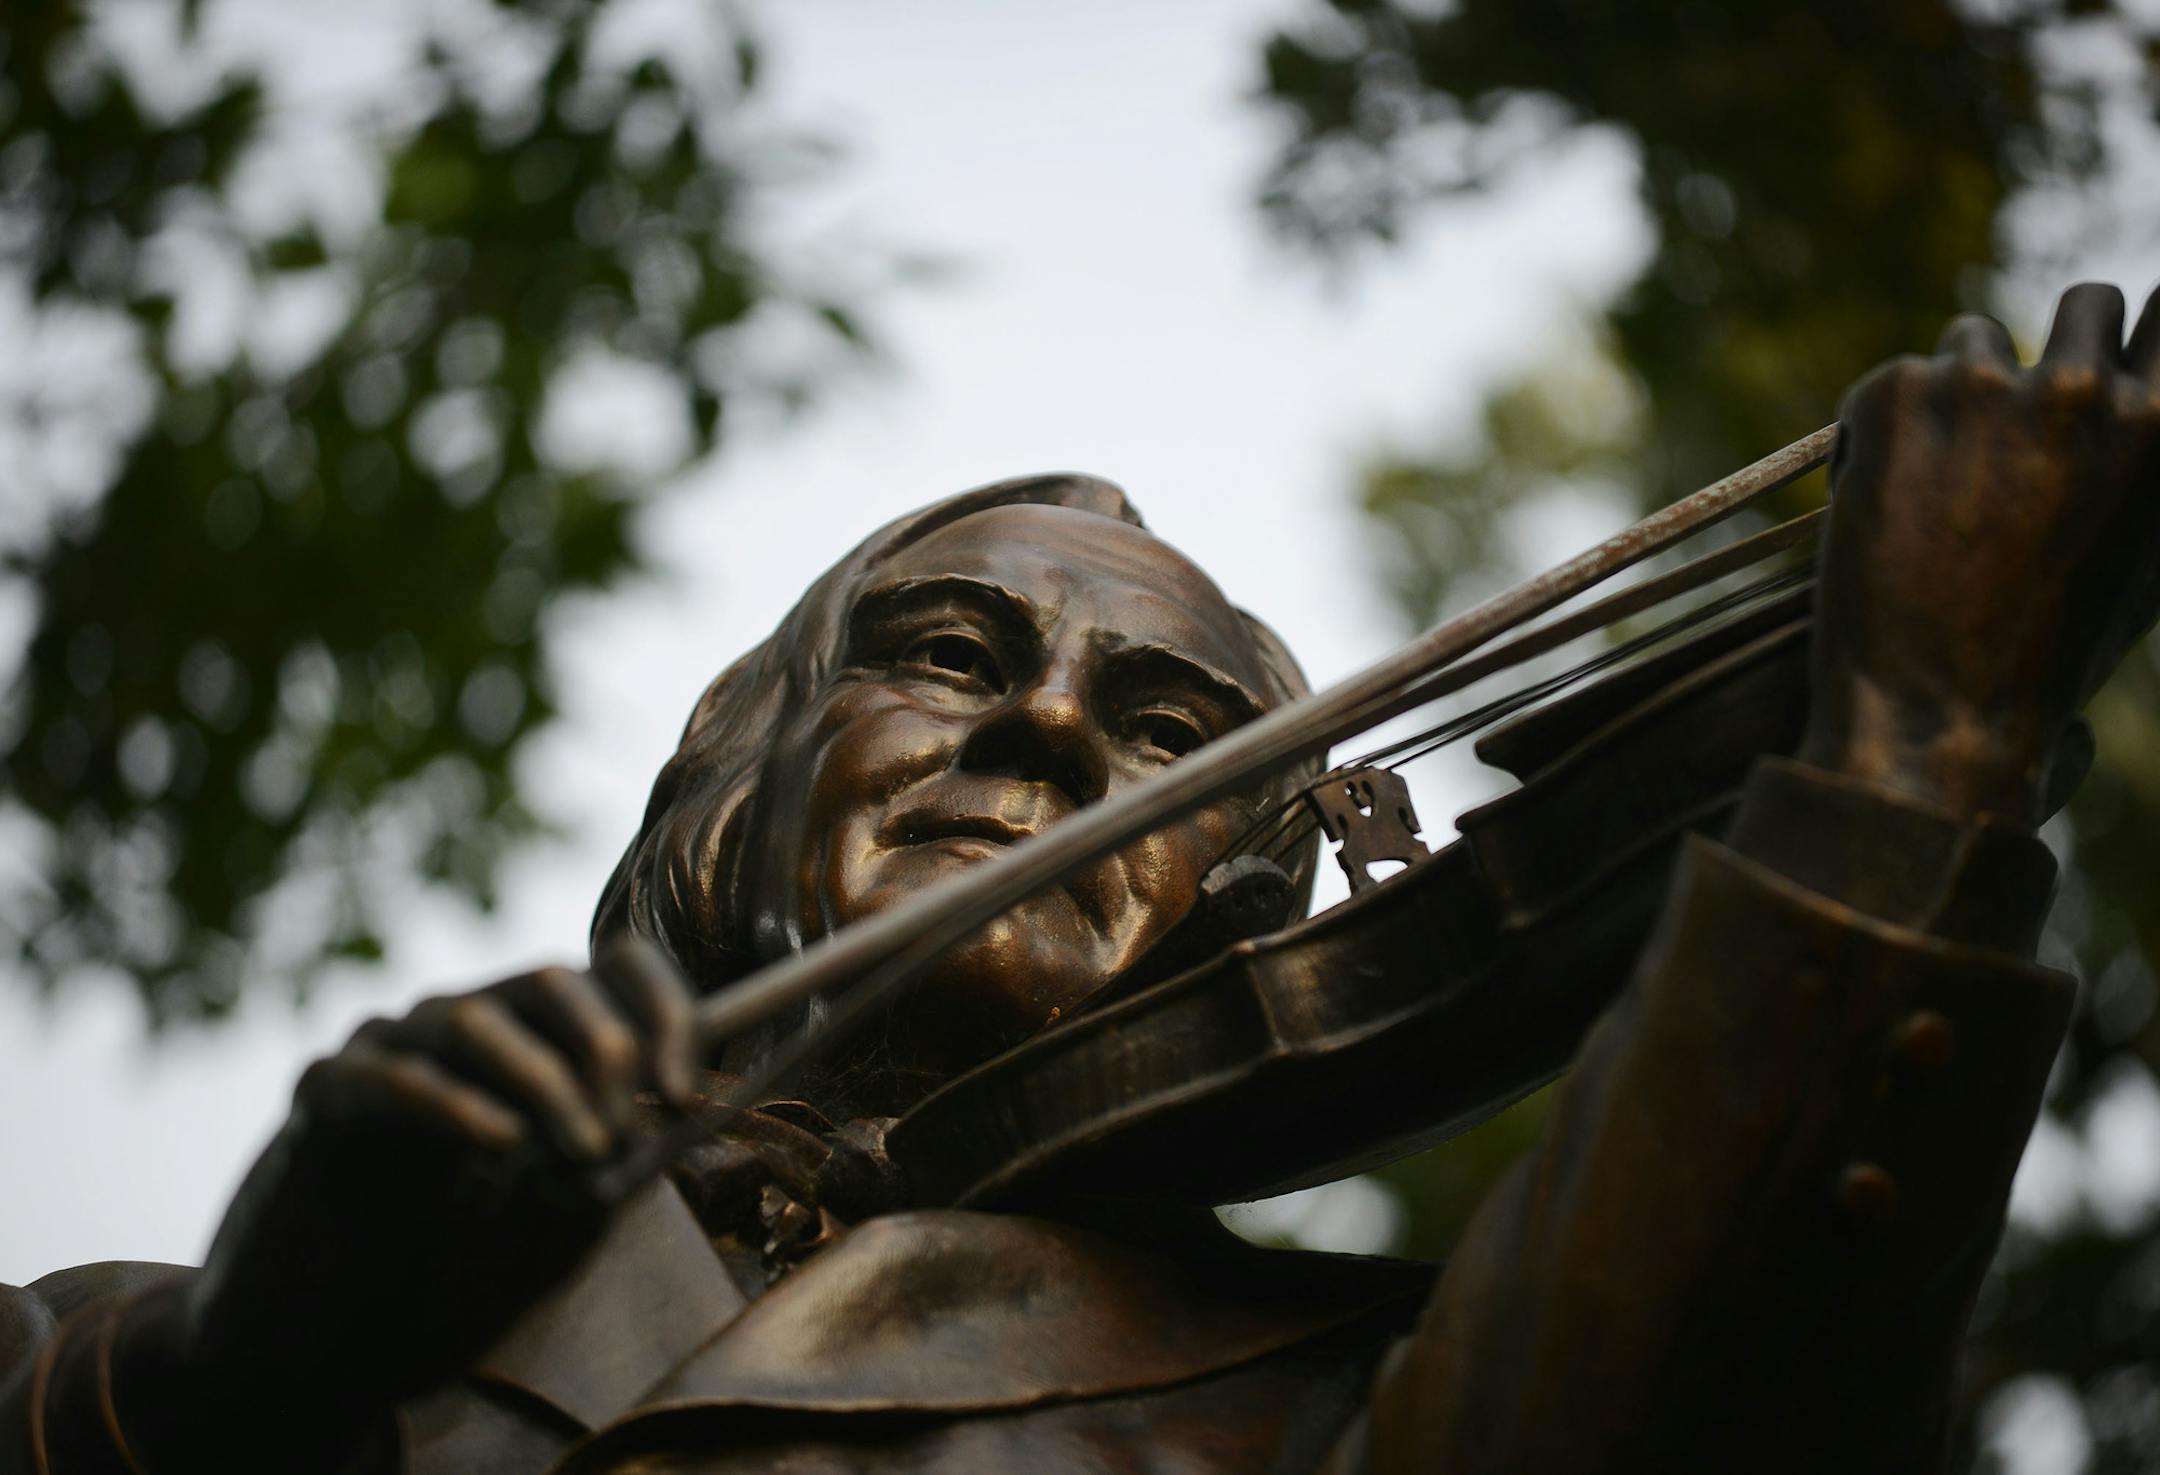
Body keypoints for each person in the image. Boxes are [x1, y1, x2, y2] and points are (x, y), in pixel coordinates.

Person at [5, 282, 2158, 1474]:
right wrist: (226, 1375)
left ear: (1251, 898)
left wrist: (1915, 750)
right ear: (729, 778)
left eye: (1168, 736)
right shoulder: (112, 1347)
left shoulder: (1333, 1397)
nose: (1045, 735)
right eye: (951, 655)